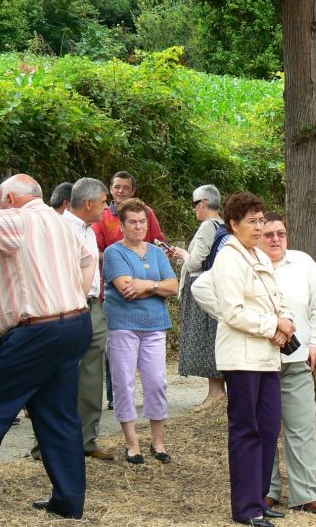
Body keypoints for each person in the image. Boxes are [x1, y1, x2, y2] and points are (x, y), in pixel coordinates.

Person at [0, 174, 94, 519]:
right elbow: (88, 261)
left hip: (38, 332)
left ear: (11, 199)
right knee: (57, 414)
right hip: (75, 323)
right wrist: (71, 299)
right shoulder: (63, 224)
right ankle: (69, 501)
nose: (0, 208)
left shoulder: (20, 218)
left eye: (1, 201)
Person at [192, 191, 294, 527]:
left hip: (267, 356)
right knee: (246, 430)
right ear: (233, 224)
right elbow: (233, 312)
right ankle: (246, 508)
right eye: (252, 221)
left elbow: (277, 300)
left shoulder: (260, 256)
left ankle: (260, 499)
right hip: (241, 358)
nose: (259, 227)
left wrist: (286, 324)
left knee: (267, 427)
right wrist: (272, 326)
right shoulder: (229, 258)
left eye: (261, 219)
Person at [30, 178, 114, 461]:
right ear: (88, 203)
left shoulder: (90, 229)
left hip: (92, 308)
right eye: (104, 202)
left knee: (92, 375)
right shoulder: (57, 226)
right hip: (64, 308)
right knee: (59, 375)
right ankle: (47, 445)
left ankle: (86, 440)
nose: (107, 207)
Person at [258, 213, 316, 515]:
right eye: (269, 234)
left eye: (281, 233)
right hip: (260, 362)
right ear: (259, 236)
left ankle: (304, 494)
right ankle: (267, 490)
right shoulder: (249, 265)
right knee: (264, 429)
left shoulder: (303, 263)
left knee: (301, 429)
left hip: (298, 359)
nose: (276, 239)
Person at [103, 198, 178, 465]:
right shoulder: (114, 253)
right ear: (122, 225)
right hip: (123, 324)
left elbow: (174, 286)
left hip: (155, 324)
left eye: (142, 221)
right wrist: (158, 286)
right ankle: (132, 444)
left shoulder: (157, 252)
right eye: (132, 222)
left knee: (157, 382)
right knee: (123, 382)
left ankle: (158, 441)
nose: (138, 226)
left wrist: (148, 284)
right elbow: (126, 289)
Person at [92, 170, 165, 411]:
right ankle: (117, 399)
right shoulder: (101, 216)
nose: (120, 191)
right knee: (117, 350)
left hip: (149, 298)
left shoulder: (147, 213)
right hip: (111, 291)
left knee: (152, 369)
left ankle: (147, 405)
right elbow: (97, 251)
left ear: (133, 190)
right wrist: (122, 261)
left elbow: (156, 244)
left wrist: (148, 283)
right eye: (116, 187)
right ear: (110, 190)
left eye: (126, 187)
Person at [171, 184, 226, 409]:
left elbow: (196, 261)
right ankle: (217, 391)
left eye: (194, 204)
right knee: (212, 337)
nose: (194, 209)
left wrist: (182, 253)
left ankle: (215, 393)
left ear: (203, 203)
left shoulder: (207, 226)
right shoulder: (222, 224)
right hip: (214, 287)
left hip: (201, 286)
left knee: (205, 338)